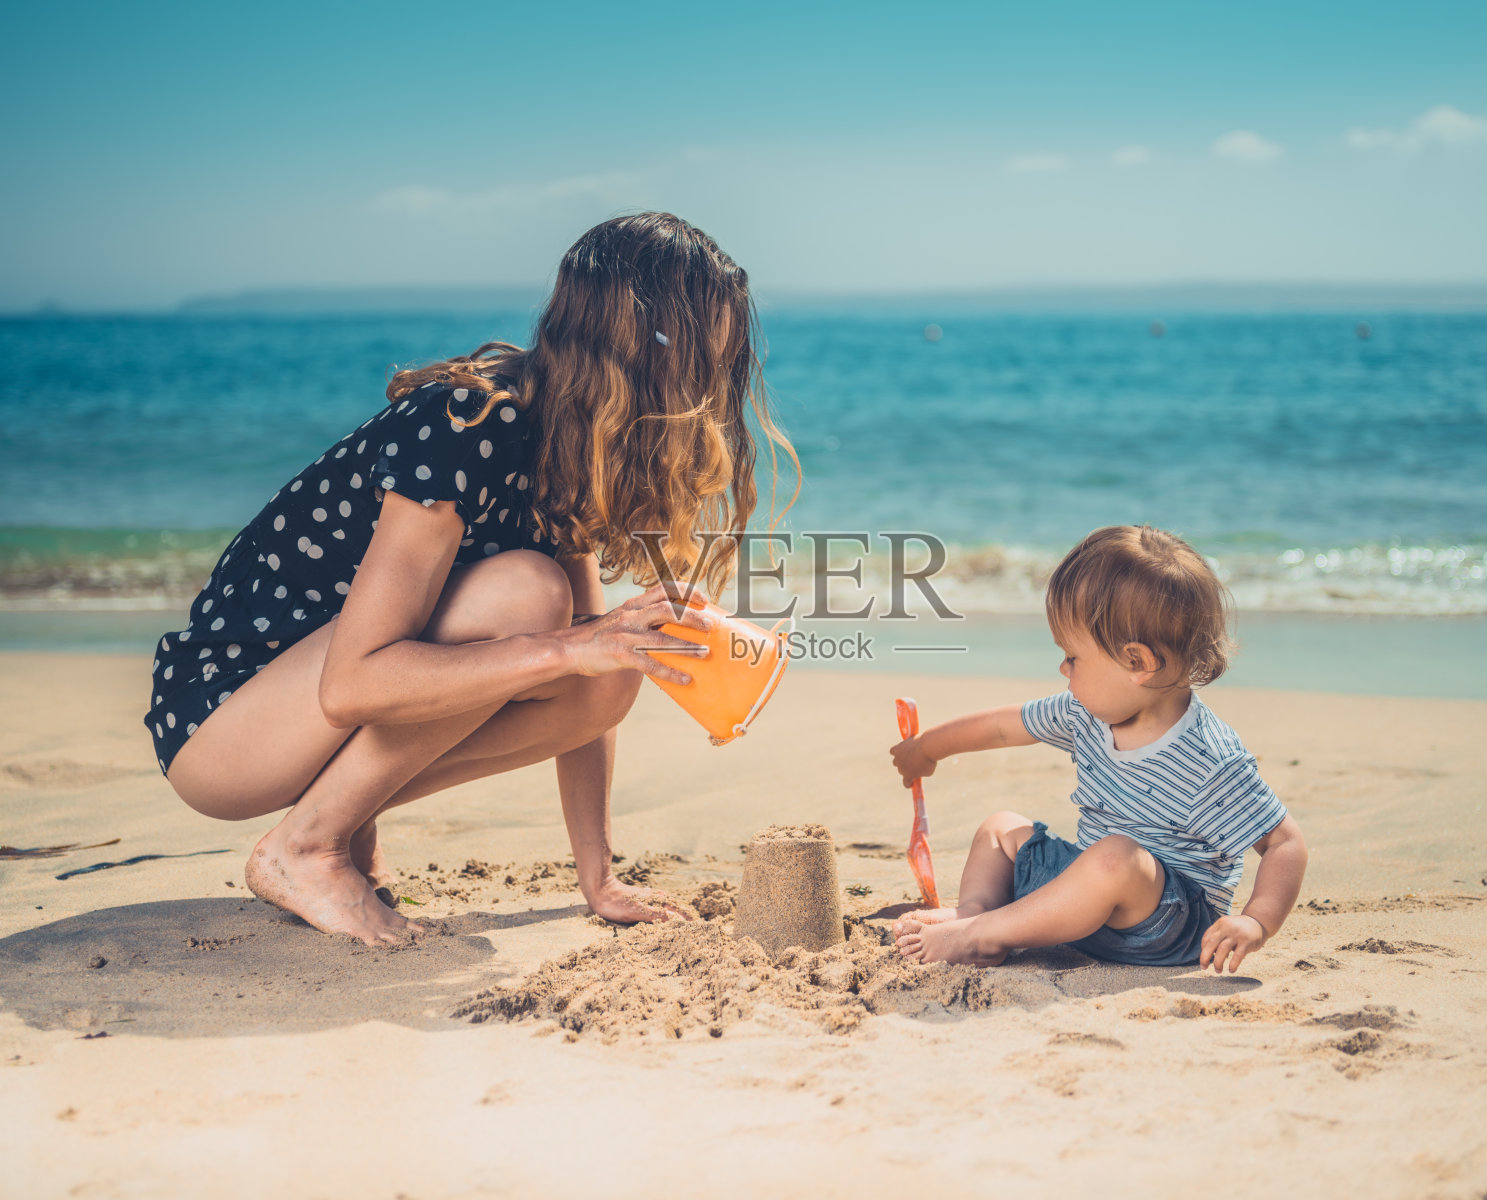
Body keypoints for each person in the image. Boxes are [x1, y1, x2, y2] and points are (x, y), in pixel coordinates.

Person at [145, 213, 796, 946]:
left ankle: (337, 823)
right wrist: (564, 648)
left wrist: (599, 877)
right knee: (534, 598)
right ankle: (307, 848)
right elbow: (350, 686)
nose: (708, 390)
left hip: (305, 719)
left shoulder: (569, 445)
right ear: (635, 343)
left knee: (612, 666)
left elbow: (586, 677)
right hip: (224, 720)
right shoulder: (470, 421)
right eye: (699, 358)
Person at [887, 525, 1307, 972]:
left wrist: (1256, 921)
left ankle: (982, 934)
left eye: (1073, 657)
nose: (1063, 668)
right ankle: (977, 912)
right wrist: (926, 749)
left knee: (1115, 857)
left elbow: (1285, 843)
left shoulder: (1209, 760)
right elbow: (1001, 728)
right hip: (1082, 904)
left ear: (1137, 662)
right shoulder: (1084, 712)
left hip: (1167, 927)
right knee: (1000, 828)